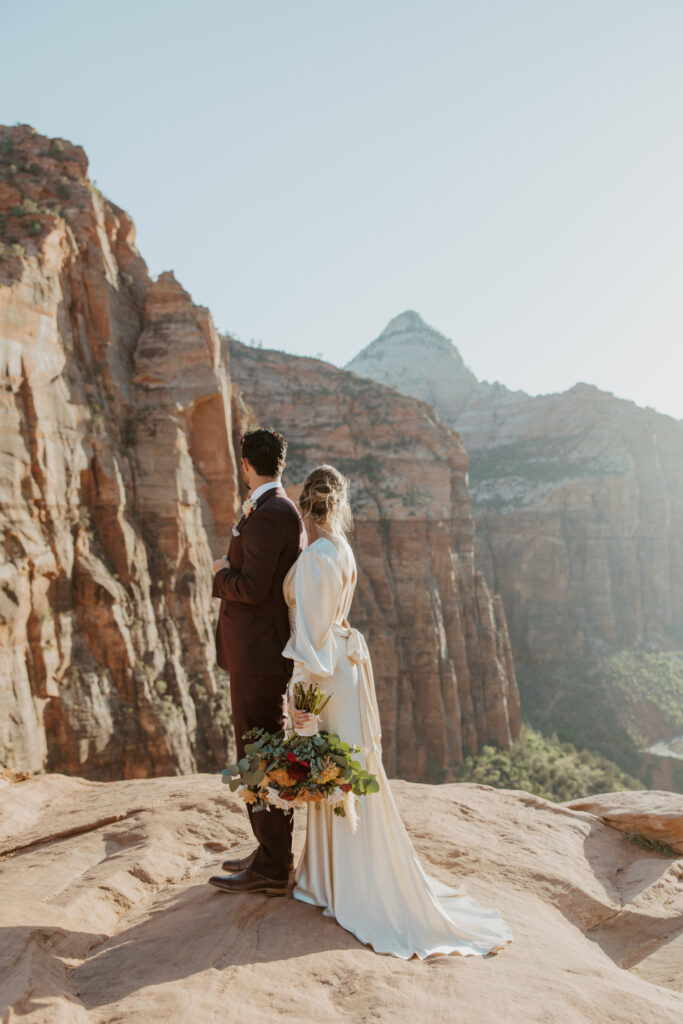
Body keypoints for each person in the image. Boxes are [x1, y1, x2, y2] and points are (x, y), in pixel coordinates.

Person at [281, 464, 514, 959]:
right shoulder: (340, 550)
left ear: (304, 506)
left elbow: (313, 639)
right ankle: (328, 877)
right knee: (345, 767)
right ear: (339, 506)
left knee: (331, 766)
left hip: (326, 675)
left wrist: (300, 703)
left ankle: (335, 885)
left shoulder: (319, 556)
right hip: (347, 667)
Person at [209, 428, 306, 896]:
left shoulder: (271, 513)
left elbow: (251, 587)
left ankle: (272, 865)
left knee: (261, 753)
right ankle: (268, 851)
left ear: (247, 464)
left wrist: (220, 574)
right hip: (255, 653)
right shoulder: (270, 508)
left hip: (260, 656)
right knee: (256, 751)